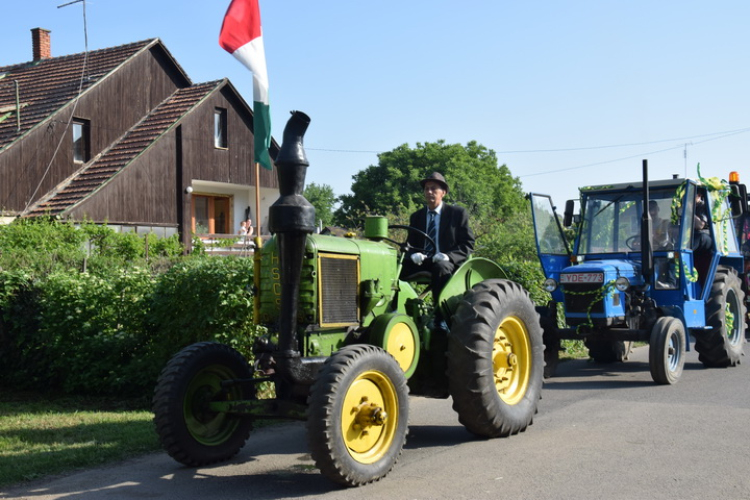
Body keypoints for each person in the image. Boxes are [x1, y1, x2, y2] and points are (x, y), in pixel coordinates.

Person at [400, 172, 475, 307]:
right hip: (423, 261)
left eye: (433, 188)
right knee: (395, 266)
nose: (429, 192)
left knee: (441, 267)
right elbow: (410, 244)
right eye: (426, 189)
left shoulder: (457, 214)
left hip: (447, 263)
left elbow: (468, 244)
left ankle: (440, 315)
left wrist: (448, 256)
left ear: (443, 193)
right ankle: (393, 309)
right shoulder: (417, 216)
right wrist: (413, 254)